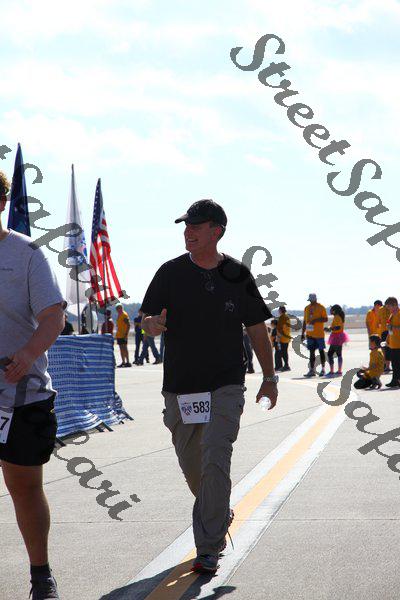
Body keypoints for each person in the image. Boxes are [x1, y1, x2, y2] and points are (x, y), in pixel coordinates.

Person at [140, 199, 278, 574]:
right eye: (186, 225)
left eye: (196, 226)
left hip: (226, 384)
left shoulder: (237, 274)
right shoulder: (169, 272)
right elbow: (147, 318)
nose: (188, 231)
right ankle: (218, 511)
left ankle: (209, 546)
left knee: (216, 456)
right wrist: (152, 325)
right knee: (195, 470)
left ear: (216, 231)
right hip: (181, 388)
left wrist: (269, 378)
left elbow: (257, 329)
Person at [0, 171, 65, 599]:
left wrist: (26, 354)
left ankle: (40, 574)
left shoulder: (26, 253)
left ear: (1, 202)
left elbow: (53, 317)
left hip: (19, 395)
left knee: (23, 487)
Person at [302, 293, 328, 377]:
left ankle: (323, 369)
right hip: (309, 334)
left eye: (312, 300)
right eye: (310, 300)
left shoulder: (321, 307)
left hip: (319, 334)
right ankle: (311, 370)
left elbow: (325, 319)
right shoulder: (307, 308)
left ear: (315, 299)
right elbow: (305, 321)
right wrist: (302, 333)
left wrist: (315, 320)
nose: (311, 302)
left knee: (321, 352)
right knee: (311, 353)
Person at [325, 304, 350, 377]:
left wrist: (330, 329)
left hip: (336, 337)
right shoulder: (337, 317)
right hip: (338, 336)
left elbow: (338, 327)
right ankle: (339, 371)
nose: (330, 311)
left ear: (334, 311)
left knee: (330, 354)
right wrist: (330, 328)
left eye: (331, 310)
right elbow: (336, 326)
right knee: (338, 354)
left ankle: (333, 371)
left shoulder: (337, 317)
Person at [385, 297, 400, 388]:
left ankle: (396, 380)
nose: (388, 309)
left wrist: (393, 327)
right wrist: (387, 340)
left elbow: (394, 327)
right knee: (395, 364)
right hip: (393, 344)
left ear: (394, 305)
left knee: (397, 364)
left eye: (389, 307)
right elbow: (390, 329)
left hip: (398, 344)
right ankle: (395, 380)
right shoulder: (392, 315)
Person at [115, 303, 131, 367]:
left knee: (125, 348)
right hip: (119, 335)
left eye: (119, 308)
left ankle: (128, 362)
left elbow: (128, 325)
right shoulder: (119, 315)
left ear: (121, 308)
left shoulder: (124, 315)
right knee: (121, 349)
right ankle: (123, 362)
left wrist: (126, 334)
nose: (118, 310)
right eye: (117, 308)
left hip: (123, 334)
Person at [378, 299, 392, 373]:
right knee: (385, 348)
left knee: (391, 348)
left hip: (391, 331)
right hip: (384, 331)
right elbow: (379, 320)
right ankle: (386, 366)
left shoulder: (392, 309)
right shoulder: (381, 309)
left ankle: (388, 366)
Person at [276, 306, 291, 371]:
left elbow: (282, 328)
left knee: (283, 352)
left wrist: (279, 336)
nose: (278, 311)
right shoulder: (286, 317)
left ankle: (286, 366)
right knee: (284, 352)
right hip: (286, 337)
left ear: (280, 310)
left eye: (279, 310)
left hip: (283, 338)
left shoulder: (283, 317)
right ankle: (286, 365)